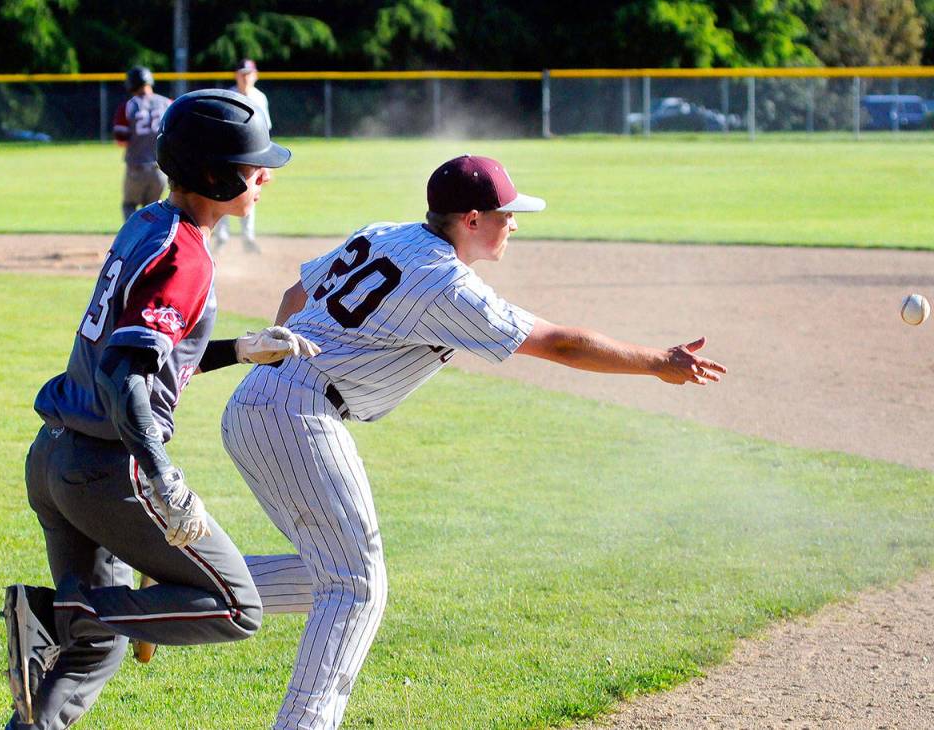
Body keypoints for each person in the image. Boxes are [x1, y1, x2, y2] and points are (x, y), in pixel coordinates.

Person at [218, 154, 728, 729]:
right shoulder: (446, 283)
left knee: (334, 575)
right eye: (507, 214)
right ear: (473, 219)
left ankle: (187, 584)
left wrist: (281, 367)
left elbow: (295, 295)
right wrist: (659, 362)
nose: (515, 223)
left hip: (261, 400)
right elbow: (558, 344)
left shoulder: (386, 234)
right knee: (356, 586)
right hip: (299, 411)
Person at [0, 88, 315, 730]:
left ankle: (53, 669)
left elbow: (143, 350)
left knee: (98, 647)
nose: (263, 177)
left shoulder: (148, 221)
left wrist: (237, 349)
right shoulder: (187, 257)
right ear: (215, 174)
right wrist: (163, 477)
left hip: (56, 455)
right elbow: (124, 373)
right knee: (235, 607)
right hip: (107, 469)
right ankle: (58, 616)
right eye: (253, 165)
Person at [213, 59, 272, 254]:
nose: (245, 77)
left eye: (249, 73)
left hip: (252, 156)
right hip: (229, 154)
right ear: (236, 75)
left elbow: (265, 131)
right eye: (242, 73)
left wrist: (266, 163)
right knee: (223, 194)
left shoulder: (260, 97)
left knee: (250, 194)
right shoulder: (228, 95)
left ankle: (248, 239)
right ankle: (222, 237)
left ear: (255, 75)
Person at [112, 66, 172, 222]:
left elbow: (121, 140)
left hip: (136, 169)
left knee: (129, 205)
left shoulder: (129, 106)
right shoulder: (167, 103)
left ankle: (133, 242)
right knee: (153, 212)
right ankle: (152, 245)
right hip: (160, 170)